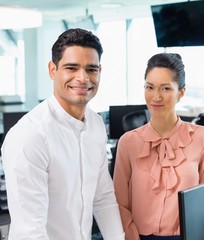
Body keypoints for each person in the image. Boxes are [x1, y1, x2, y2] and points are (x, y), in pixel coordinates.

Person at [1, 28, 125, 239]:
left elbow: (102, 196)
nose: (83, 78)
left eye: (91, 69)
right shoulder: (29, 136)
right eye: (72, 67)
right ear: (52, 70)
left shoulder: (95, 125)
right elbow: (30, 232)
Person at [113, 53, 204, 240]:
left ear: (181, 92)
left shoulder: (203, 137)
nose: (156, 97)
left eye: (166, 89)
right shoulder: (128, 142)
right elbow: (120, 203)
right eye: (149, 87)